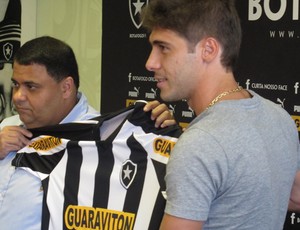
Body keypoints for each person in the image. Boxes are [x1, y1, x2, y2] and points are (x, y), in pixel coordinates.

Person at [141, 0, 300, 229]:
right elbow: (295, 196)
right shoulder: (280, 118)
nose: (150, 62)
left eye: (163, 47)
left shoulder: (199, 144)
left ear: (208, 50)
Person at [0, 36, 176, 229]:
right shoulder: (6, 128)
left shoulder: (101, 144)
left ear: (66, 87)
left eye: (31, 87)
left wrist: (160, 134)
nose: (18, 97)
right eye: (16, 84)